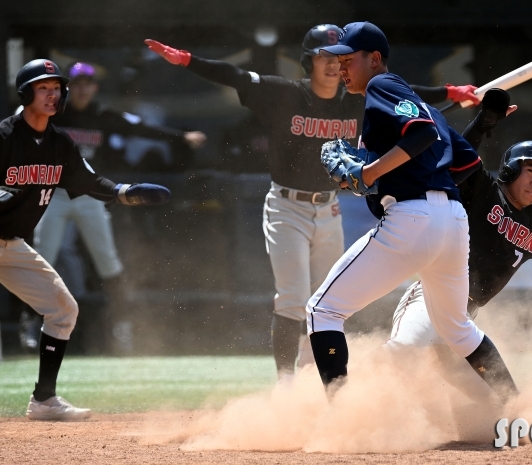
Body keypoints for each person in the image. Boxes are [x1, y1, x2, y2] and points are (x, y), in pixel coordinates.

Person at [145, 26, 480, 379]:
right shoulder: (287, 95)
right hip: (287, 206)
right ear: (309, 61)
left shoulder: (356, 96)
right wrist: (185, 60)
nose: (336, 65)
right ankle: (286, 384)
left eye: (342, 58)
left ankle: (313, 378)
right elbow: (236, 75)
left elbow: (407, 96)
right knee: (294, 299)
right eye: (327, 56)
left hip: (329, 207)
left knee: (325, 302)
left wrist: (452, 93)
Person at [307, 21, 517, 400]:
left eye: (348, 60)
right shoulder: (423, 109)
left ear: (374, 59)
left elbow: (421, 135)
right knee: (457, 328)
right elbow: (464, 165)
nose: (341, 69)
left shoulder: (381, 85)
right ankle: (517, 405)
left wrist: (369, 172)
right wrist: (369, 177)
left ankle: (341, 417)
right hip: (451, 223)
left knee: (322, 310)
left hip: (414, 219)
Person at [1, 59, 171, 420]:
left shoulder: (59, 143)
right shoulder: (4, 137)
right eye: (43, 87)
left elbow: (88, 181)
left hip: (9, 244)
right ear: (25, 93)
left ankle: (44, 400)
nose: (53, 94)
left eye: (55, 88)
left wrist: (126, 192)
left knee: (63, 309)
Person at [30, 62, 205, 353]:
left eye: (88, 83)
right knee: (40, 258)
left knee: (108, 262)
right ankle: (32, 323)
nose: (83, 88)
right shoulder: (55, 112)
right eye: (77, 83)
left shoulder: (101, 114)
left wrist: (181, 136)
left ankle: (122, 326)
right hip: (54, 194)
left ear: (95, 87)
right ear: (69, 87)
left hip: (90, 195)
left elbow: (140, 127)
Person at [387, 139, 532, 398]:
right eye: (531, 170)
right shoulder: (484, 189)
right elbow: (453, 153)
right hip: (431, 299)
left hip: (464, 320)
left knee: (496, 406)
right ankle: (343, 404)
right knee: (402, 351)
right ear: (510, 170)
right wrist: (484, 123)